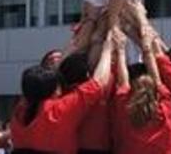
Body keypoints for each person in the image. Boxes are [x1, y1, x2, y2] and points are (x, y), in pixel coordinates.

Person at [10, 16, 118, 154]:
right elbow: (99, 82)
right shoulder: (57, 111)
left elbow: (52, 73)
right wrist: (108, 48)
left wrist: (84, 29)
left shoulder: (20, 110)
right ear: (55, 90)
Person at [111, 29, 171, 154]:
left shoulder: (125, 107)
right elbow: (157, 80)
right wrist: (147, 49)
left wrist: (120, 51)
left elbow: (123, 81)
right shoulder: (165, 108)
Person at [57, 52, 112, 154]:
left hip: (72, 147)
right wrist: (107, 48)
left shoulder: (58, 96)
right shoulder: (94, 91)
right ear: (87, 74)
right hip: (98, 147)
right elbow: (101, 79)